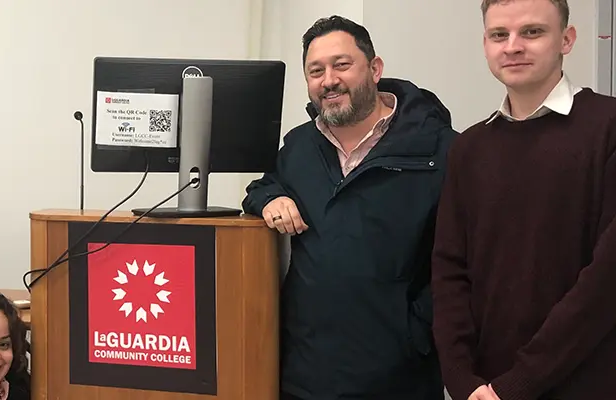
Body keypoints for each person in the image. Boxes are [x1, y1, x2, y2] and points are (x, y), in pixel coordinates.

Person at [242, 16, 457, 400]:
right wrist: (270, 198)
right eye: (316, 71)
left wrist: (417, 330)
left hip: (398, 376)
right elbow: (261, 186)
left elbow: (466, 256)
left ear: (375, 69)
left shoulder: (439, 149)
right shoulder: (299, 147)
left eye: (342, 65)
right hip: (306, 375)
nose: (328, 80)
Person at [431, 1, 616, 399]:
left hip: (586, 382)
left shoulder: (608, 127)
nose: (512, 46)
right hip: (485, 390)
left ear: (567, 40)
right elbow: (449, 270)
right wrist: (463, 381)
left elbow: (606, 280)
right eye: (499, 35)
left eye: (532, 32)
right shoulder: (468, 148)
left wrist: (518, 384)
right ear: (485, 45)